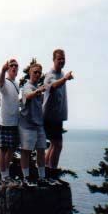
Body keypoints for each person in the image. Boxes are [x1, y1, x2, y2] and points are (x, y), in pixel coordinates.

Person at [18, 62, 53, 186]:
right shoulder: (27, 87)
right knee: (26, 151)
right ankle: (26, 178)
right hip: (27, 125)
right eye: (35, 72)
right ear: (30, 73)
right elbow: (28, 95)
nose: (37, 74)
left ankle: (42, 177)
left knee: (41, 150)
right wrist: (39, 91)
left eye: (39, 72)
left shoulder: (38, 88)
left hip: (38, 124)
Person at [42, 49, 74, 182]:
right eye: (59, 59)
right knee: (57, 144)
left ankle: (46, 172)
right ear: (53, 60)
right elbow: (53, 86)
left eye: (63, 58)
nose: (62, 61)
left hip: (57, 117)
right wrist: (65, 79)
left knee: (54, 145)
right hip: (49, 116)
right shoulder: (50, 75)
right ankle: (51, 174)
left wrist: (64, 77)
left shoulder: (60, 73)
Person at [0, 59, 20, 185]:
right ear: (8, 68)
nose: (14, 67)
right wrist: (2, 70)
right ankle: (4, 176)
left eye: (16, 66)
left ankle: (6, 175)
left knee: (11, 149)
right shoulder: (4, 82)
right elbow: (0, 82)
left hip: (14, 121)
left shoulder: (16, 84)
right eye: (12, 65)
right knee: (3, 148)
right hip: (4, 122)